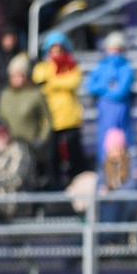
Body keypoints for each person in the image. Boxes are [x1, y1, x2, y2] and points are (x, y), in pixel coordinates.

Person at [32, 31, 86, 188]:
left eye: (59, 50)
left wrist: (52, 82)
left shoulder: (71, 66)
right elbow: (39, 80)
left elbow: (73, 81)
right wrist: (58, 81)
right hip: (50, 120)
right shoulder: (43, 67)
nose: (56, 53)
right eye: (53, 50)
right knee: (52, 157)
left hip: (70, 119)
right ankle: (55, 187)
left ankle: (78, 185)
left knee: (75, 154)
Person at [0, 53, 51, 180]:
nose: (17, 79)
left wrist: (42, 138)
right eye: (14, 75)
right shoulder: (5, 95)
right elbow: (0, 119)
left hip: (31, 146)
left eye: (21, 75)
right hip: (10, 147)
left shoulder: (35, 94)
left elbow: (47, 120)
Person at [87, 31, 135, 166]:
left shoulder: (126, 67)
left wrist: (105, 90)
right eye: (112, 48)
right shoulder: (100, 66)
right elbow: (91, 86)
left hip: (121, 109)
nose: (114, 52)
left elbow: (121, 91)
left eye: (117, 48)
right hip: (105, 109)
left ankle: (126, 169)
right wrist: (109, 86)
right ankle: (104, 169)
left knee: (123, 139)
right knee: (104, 140)